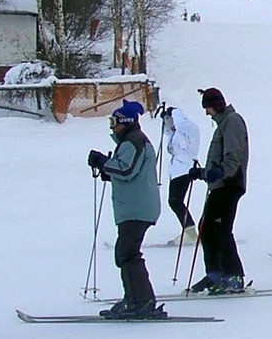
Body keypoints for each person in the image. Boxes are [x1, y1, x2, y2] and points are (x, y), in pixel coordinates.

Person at [87, 100, 163, 318]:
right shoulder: (132, 141)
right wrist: (107, 170)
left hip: (137, 209)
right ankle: (134, 298)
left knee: (127, 254)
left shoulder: (133, 141)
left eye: (114, 122)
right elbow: (126, 171)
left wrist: (103, 162)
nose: (112, 127)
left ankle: (141, 301)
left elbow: (126, 170)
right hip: (135, 207)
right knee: (125, 253)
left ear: (125, 122)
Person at [186, 88, 249, 293]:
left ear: (217, 105)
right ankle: (214, 273)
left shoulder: (233, 121)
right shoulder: (222, 124)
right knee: (206, 229)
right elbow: (217, 161)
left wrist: (220, 172)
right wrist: (203, 173)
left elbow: (233, 156)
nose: (207, 113)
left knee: (221, 229)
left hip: (229, 184)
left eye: (208, 108)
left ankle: (233, 275)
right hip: (220, 184)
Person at [162, 106, 201, 246]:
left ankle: (190, 231)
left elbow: (182, 124)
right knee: (174, 201)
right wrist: (166, 120)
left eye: (170, 120)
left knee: (175, 201)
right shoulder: (176, 133)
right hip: (177, 170)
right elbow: (169, 135)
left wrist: (174, 112)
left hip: (185, 168)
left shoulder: (189, 128)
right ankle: (189, 230)